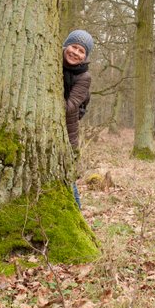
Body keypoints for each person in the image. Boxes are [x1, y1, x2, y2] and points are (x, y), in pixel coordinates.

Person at [62, 29, 94, 209]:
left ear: (85, 56)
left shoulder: (84, 76)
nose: (75, 53)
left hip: (68, 132)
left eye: (81, 51)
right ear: (66, 45)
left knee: (68, 176)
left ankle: (77, 211)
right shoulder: (51, 61)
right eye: (74, 47)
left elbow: (71, 105)